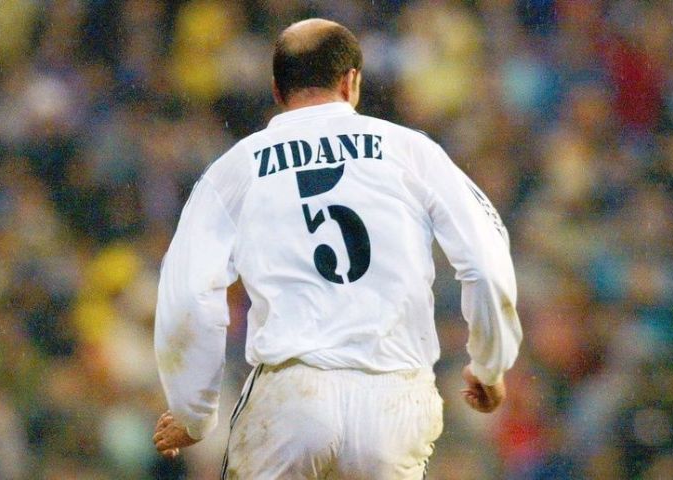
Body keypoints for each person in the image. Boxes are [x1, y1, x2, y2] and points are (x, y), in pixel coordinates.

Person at [152, 18, 522, 479]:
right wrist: (489, 365)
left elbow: (189, 293)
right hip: (394, 401)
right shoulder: (411, 151)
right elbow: (485, 264)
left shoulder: (237, 167)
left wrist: (193, 411)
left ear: (276, 89)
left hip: (291, 400)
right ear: (351, 82)